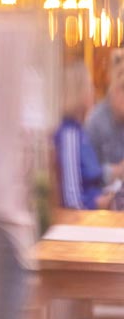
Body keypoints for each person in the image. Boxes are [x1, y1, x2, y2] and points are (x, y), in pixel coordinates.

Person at [55, 61, 118, 210]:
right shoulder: (69, 135)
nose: (93, 92)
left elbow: (91, 176)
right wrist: (101, 202)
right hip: (84, 222)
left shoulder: (81, 133)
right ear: (79, 92)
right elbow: (72, 199)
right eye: (89, 87)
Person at [83, 49, 124, 191]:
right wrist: (116, 171)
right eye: (122, 89)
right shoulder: (95, 122)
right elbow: (87, 173)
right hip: (103, 204)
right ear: (112, 88)